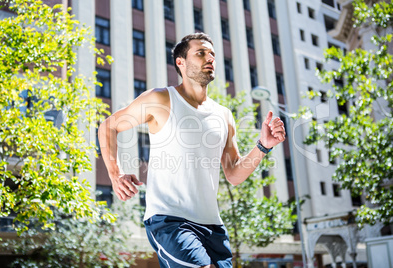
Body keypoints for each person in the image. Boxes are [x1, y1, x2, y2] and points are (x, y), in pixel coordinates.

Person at [98, 33, 286, 268]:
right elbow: (109, 126)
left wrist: (263, 146)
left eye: (212, 54)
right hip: (169, 220)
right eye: (201, 53)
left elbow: (234, 174)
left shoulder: (223, 115)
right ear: (181, 62)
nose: (210, 58)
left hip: (213, 226)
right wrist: (115, 174)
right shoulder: (161, 99)